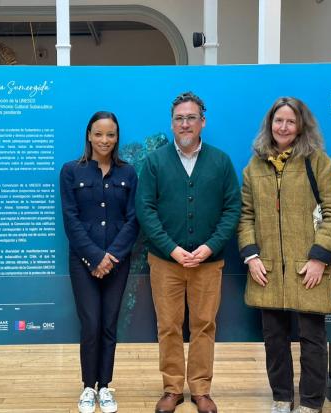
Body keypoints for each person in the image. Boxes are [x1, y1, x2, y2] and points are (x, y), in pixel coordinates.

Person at [238, 97, 331, 413]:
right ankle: (281, 398)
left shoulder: (321, 164)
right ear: (269, 125)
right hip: (267, 269)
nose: (283, 127)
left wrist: (318, 258)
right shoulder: (253, 167)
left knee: (313, 340)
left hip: (309, 268)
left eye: (290, 121)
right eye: (278, 121)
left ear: (301, 126)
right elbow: (246, 216)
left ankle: (311, 404)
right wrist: (251, 256)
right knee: (274, 339)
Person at [136, 91, 241, 413]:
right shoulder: (155, 162)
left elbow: (233, 208)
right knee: (167, 326)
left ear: (202, 122)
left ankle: (200, 390)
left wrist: (209, 247)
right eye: (179, 118)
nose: (185, 124)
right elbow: (145, 209)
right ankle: (171, 388)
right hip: (165, 261)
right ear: (172, 123)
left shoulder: (221, 161)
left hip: (208, 263)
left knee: (204, 325)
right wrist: (172, 248)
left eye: (191, 117)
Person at [60, 111, 139, 413]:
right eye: (99, 134)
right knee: (90, 323)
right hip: (83, 263)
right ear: (89, 136)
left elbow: (133, 220)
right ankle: (86, 387)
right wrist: (95, 257)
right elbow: (71, 220)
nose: (104, 140)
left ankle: (104, 386)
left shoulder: (128, 173)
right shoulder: (71, 171)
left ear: (117, 137)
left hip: (117, 263)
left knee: (108, 324)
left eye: (110, 135)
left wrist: (111, 257)